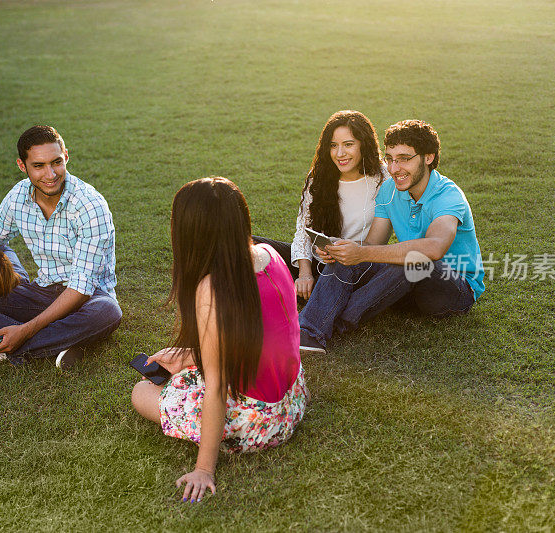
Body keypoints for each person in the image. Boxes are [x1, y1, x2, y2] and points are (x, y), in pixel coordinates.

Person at [131, 177, 309, 502]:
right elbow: (262, 335)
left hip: (260, 422)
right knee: (177, 367)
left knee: (142, 391)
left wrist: (204, 468)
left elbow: (216, 387)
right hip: (292, 399)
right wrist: (190, 354)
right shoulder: (269, 254)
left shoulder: (212, 288)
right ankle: (187, 362)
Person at [0, 125, 122, 372]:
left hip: (88, 298)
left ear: (66, 156)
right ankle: (62, 340)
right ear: (23, 166)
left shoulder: (90, 206)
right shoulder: (18, 197)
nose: (51, 174)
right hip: (41, 293)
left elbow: (81, 288)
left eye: (56, 162)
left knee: (108, 312)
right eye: (39, 166)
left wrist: (24, 330)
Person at [298, 120, 485, 353]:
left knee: (412, 258)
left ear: (428, 157)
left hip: (453, 289)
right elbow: (373, 244)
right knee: (349, 253)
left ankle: (334, 319)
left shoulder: (448, 195)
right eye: (390, 158)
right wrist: (342, 249)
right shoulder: (389, 190)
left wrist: (362, 252)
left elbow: (435, 248)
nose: (395, 168)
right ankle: (308, 332)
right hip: (409, 289)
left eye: (404, 159)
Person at [253, 110, 389, 301]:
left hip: (354, 266)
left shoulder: (384, 178)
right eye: (333, 146)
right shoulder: (319, 177)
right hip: (317, 261)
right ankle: (302, 286)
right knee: (247, 243)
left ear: (364, 145)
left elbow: (377, 244)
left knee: (334, 276)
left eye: (348, 145)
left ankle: (293, 289)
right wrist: (304, 273)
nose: (340, 154)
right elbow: (303, 230)